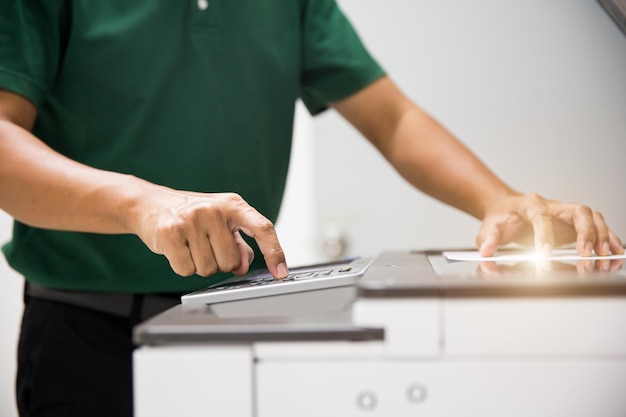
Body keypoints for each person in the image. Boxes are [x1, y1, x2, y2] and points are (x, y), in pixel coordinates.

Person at [0, 1, 622, 416]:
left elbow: (393, 118)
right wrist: (141, 204)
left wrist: (500, 200)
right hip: (85, 338)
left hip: (233, 331)